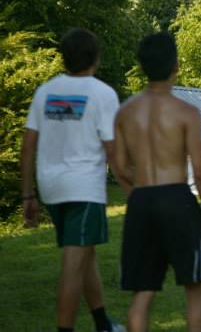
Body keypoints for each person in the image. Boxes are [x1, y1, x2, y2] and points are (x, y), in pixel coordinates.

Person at [19, 28, 126, 332]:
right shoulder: (103, 94)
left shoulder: (45, 92)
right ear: (96, 58)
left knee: (84, 252)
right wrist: (132, 187)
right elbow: (112, 150)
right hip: (84, 189)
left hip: (51, 189)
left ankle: (103, 322)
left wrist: (27, 196)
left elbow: (28, 147)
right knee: (73, 262)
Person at [113, 32, 201, 332]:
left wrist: (139, 192)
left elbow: (119, 166)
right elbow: (199, 171)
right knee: (195, 286)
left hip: (142, 199)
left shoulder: (125, 112)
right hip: (178, 200)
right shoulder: (187, 113)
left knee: (143, 292)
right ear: (176, 66)